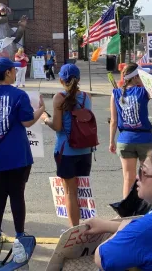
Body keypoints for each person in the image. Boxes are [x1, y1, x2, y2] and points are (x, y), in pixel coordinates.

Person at [0, 58, 45, 248]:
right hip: (16, 155)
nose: (16, 72)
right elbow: (27, 121)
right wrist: (41, 109)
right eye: (13, 70)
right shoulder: (18, 95)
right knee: (17, 194)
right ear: (8, 73)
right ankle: (20, 236)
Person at [110, 62, 152, 198]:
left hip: (125, 139)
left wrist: (111, 141)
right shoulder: (143, 91)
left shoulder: (115, 93)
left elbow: (114, 121)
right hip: (145, 139)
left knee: (128, 177)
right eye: (141, 75)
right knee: (148, 176)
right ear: (135, 77)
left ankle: (127, 210)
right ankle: (147, 206)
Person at [42, 64, 92, 227]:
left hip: (66, 150)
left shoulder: (59, 97)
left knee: (70, 193)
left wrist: (45, 119)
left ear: (61, 80)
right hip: (85, 150)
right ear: (78, 79)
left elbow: (57, 126)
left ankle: (75, 230)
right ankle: (85, 228)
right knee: (82, 190)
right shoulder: (86, 97)